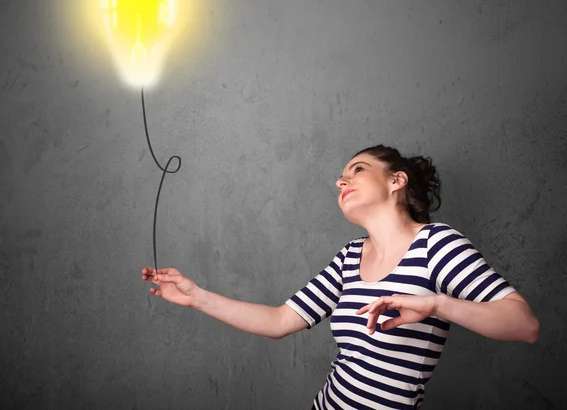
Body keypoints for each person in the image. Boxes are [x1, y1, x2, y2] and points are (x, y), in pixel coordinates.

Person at [142, 144, 539, 410]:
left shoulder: (436, 244)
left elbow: (524, 325)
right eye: (341, 176)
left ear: (396, 181)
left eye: (358, 170)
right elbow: (280, 320)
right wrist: (196, 296)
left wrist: (437, 304)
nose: (341, 180)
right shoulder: (350, 256)